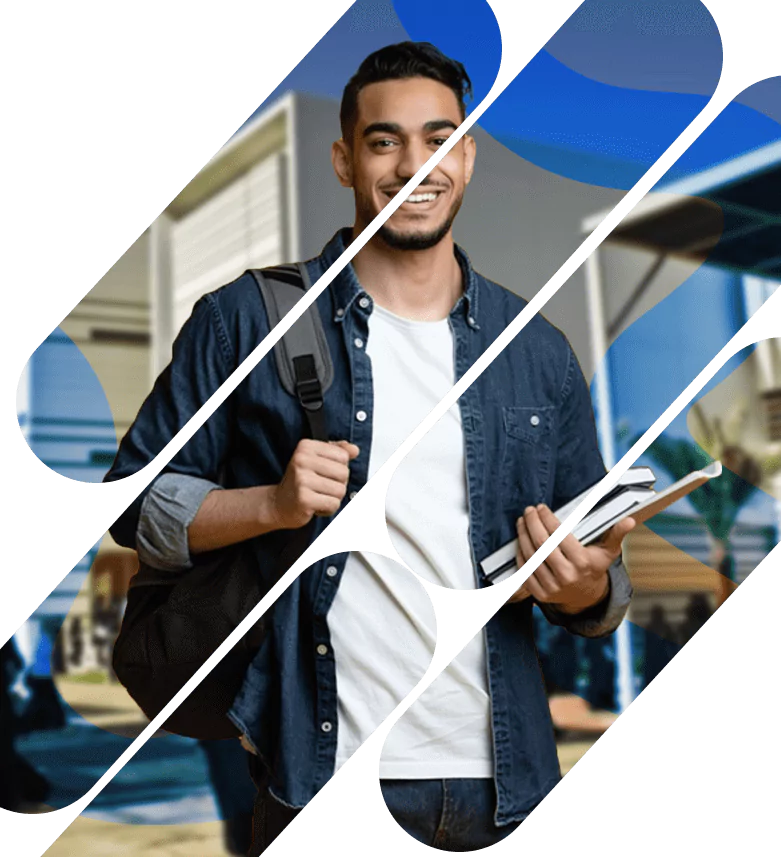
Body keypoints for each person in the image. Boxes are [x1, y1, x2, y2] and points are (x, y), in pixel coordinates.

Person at [104, 41, 635, 854]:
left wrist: (585, 584)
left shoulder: (537, 349)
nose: (413, 164)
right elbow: (135, 497)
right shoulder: (248, 318)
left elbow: (596, 577)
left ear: (467, 157)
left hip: (507, 781)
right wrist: (271, 505)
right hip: (318, 771)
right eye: (385, 141)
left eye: (439, 138)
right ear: (344, 159)